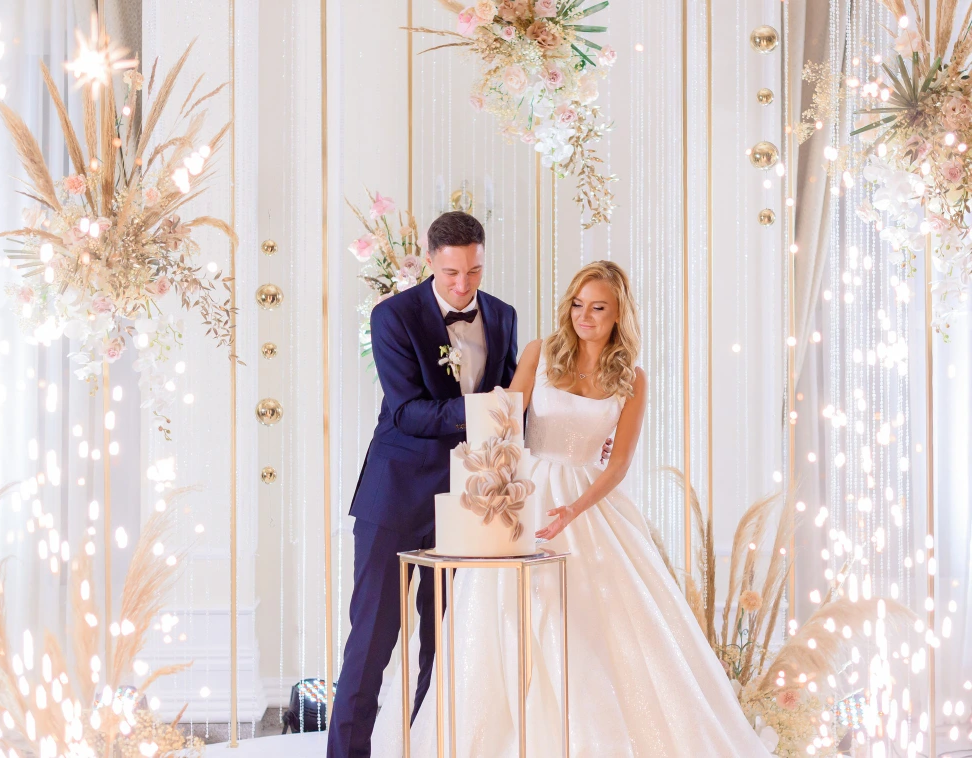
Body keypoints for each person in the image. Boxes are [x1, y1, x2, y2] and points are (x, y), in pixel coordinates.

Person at [371, 261, 771, 757]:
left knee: (597, 627)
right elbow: (505, 420)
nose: (585, 316)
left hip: (586, 505)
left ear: (619, 313)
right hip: (524, 495)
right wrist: (486, 485)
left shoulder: (632, 379)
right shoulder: (540, 353)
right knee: (502, 615)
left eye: (598, 307)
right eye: (578, 304)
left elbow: (619, 463)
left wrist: (574, 509)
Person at [326, 211, 519, 758]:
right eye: (452, 272)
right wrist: (486, 411)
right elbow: (408, 412)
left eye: (474, 272)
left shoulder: (503, 316)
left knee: (447, 641)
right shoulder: (393, 316)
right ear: (431, 260)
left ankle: (425, 745)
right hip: (395, 495)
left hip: (467, 500)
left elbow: (511, 398)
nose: (463, 285)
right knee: (372, 640)